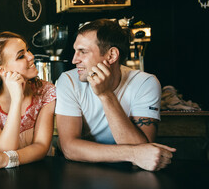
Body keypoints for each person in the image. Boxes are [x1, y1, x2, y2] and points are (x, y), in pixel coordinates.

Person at [55, 19, 176, 171]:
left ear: (111, 55)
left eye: (83, 52)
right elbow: (69, 148)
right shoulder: (68, 81)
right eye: (75, 51)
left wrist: (106, 95)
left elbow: (143, 154)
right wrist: (132, 154)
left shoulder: (145, 83)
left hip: (128, 173)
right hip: (80, 169)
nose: (74, 59)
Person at [0, 31, 56, 170]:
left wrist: (6, 159)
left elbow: (41, 147)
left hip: (41, 171)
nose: (31, 56)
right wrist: (17, 99)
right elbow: (2, 150)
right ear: (2, 70)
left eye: (28, 50)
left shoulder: (45, 91)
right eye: (21, 56)